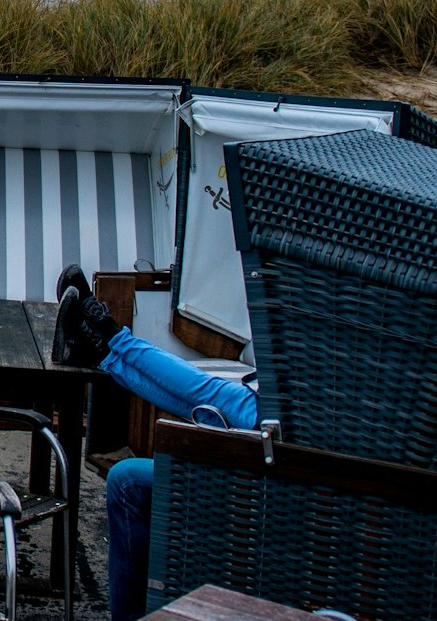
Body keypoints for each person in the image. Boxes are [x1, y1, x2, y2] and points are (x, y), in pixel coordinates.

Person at [51, 266, 259, 621]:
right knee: (210, 396)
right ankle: (105, 345)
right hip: (275, 431)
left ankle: (107, 340)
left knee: (211, 400)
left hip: (274, 464)